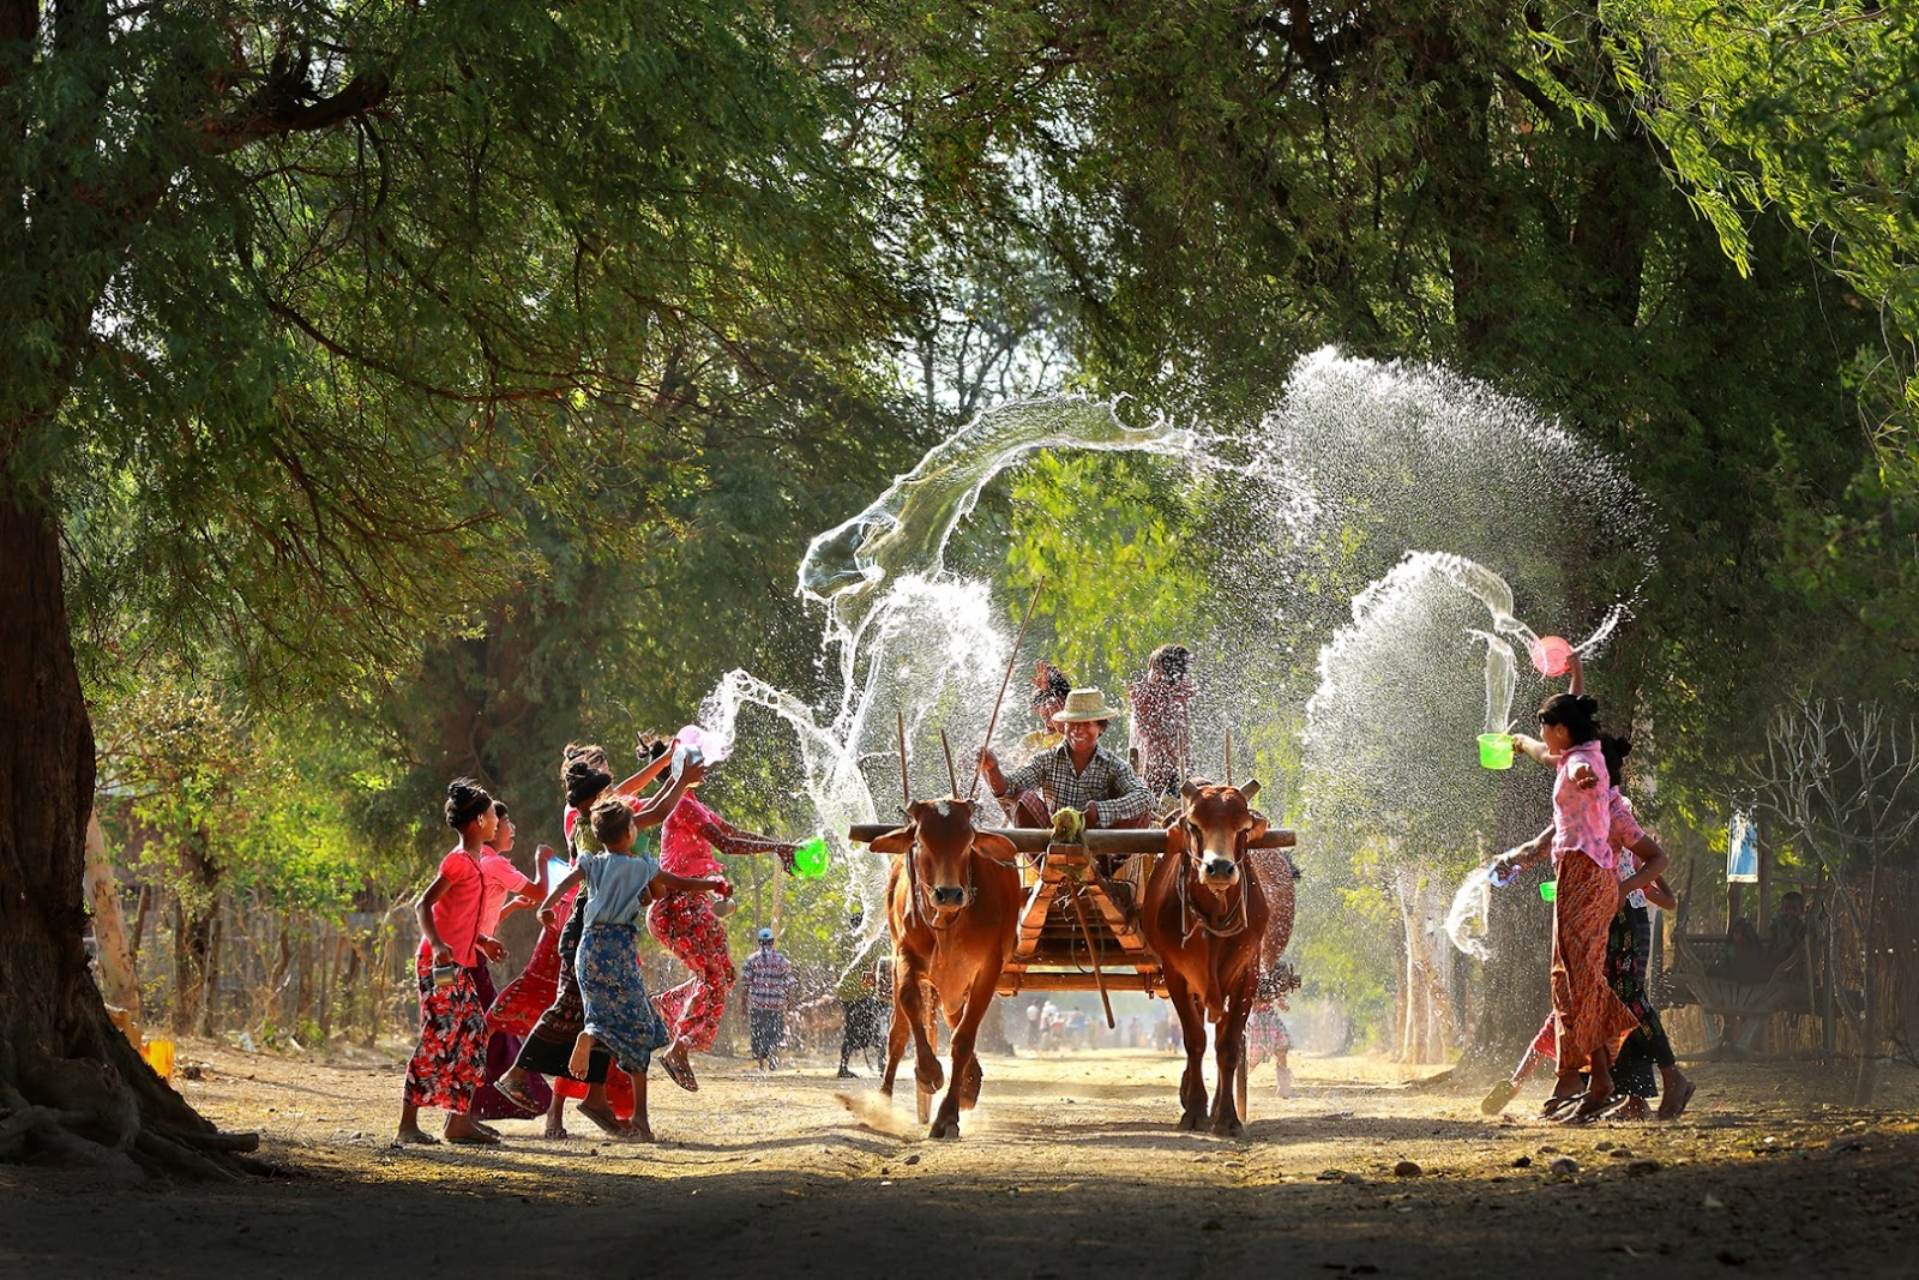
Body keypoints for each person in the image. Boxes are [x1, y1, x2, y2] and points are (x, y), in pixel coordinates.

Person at [493, 740, 702, 1136]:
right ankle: (519, 1072)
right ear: (595, 795)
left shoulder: (594, 817)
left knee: (594, 1016)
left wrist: (671, 772)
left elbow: (646, 801)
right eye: (606, 786)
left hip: (590, 930)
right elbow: (654, 811)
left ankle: (594, 1098)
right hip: (588, 931)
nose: (614, 793)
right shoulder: (592, 824)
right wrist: (677, 774)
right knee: (573, 1011)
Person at [539, 797, 726, 1142]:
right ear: (628, 833)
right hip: (618, 949)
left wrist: (547, 907)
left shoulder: (593, 862)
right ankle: (638, 1116)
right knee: (640, 1029)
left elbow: (568, 883)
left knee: (614, 1017)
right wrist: (711, 885)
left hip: (589, 948)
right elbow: (672, 885)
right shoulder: (642, 865)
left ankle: (595, 1034)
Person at [1500, 675, 1637, 1123]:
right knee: (1568, 980)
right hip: (1576, 875)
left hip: (1585, 875)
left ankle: (1600, 1078)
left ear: (1560, 729)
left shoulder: (1583, 763)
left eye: (1543, 728)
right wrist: (1519, 742)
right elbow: (1549, 755)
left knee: (1580, 980)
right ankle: (1588, 1077)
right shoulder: (1576, 752)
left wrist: (1582, 775)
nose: (1542, 738)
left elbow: (1582, 775)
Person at [649, 773, 798, 1091]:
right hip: (678, 906)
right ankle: (678, 1048)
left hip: (694, 903)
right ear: (681, 768)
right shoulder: (681, 807)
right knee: (715, 978)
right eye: (698, 760)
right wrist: (778, 848)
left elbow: (730, 831)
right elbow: (726, 844)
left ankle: (671, 1006)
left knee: (724, 976)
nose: (706, 766)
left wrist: (778, 847)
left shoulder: (693, 804)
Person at [395, 779, 505, 1147]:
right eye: (492, 815)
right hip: (438, 965)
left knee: (474, 1030)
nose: (496, 821)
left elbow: (460, 918)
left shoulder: (475, 863)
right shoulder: (457, 862)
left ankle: (458, 1122)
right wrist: (439, 943)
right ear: (477, 820)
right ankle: (407, 1124)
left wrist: (483, 942)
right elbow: (423, 905)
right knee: (438, 1034)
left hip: (459, 963)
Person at [469, 801, 555, 1122]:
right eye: (507, 823)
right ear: (492, 829)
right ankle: (477, 1107)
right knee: (492, 1027)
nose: (512, 829)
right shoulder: (494, 863)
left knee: (490, 1028)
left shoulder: (485, 860)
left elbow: (483, 920)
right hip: (469, 957)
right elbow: (541, 889)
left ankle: (474, 1108)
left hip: (473, 954)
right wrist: (542, 861)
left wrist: (514, 907)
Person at [978, 687, 1153, 831]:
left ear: (1100, 727)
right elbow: (1009, 788)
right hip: (1052, 844)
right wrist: (993, 770)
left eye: (1086, 724)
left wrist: (1097, 812)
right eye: (1073, 723)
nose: (1078, 730)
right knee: (1024, 798)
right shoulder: (1045, 761)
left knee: (1142, 812)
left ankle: (1098, 869)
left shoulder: (1114, 766)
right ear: (1065, 726)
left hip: (1100, 849)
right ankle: (1049, 864)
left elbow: (1145, 797)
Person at [1129, 643, 1196, 802]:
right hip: (1164, 768)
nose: (1148, 674)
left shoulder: (1163, 695)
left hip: (1166, 770)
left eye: (1151, 668)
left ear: (1159, 671)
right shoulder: (1173, 695)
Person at [834, 913, 885, 1078]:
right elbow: (874, 967)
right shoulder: (871, 941)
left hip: (845, 992)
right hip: (864, 991)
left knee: (851, 1028)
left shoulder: (844, 940)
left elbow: (839, 965)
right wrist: (874, 987)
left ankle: (843, 1066)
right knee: (875, 1028)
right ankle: (882, 1066)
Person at [740, 927, 797, 1071]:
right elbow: (789, 983)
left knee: (758, 1032)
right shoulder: (782, 960)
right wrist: (790, 1002)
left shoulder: (751, 960)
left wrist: (743, 1004)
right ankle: (772, 1056)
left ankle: (761, 1065)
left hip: (758, 1004)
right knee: (774, 1033)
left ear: (760, 942)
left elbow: (746, 984)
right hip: (776, 1005)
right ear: (772, 942)